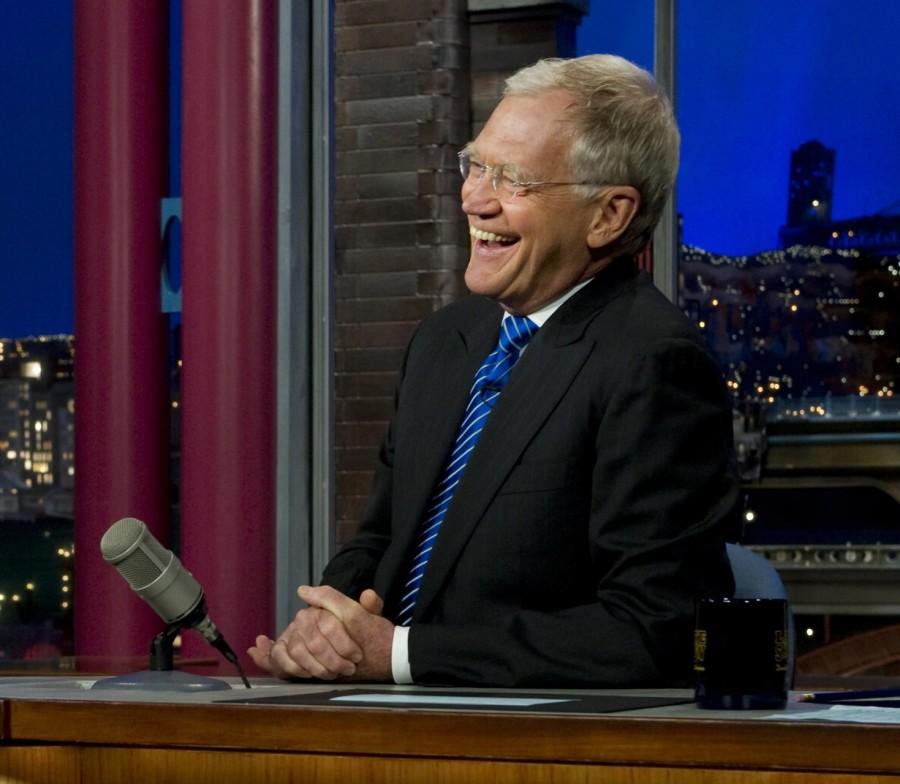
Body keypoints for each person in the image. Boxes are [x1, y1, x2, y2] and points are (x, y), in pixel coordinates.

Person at [249, 54, 739, 687]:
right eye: (476, 164)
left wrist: (401, 655)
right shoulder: (444, 341)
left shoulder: (653, 363)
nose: (474, 199)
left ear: (608, 215)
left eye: (514, 180)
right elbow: (381, 542)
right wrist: (323, 629)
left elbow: (655, 630)